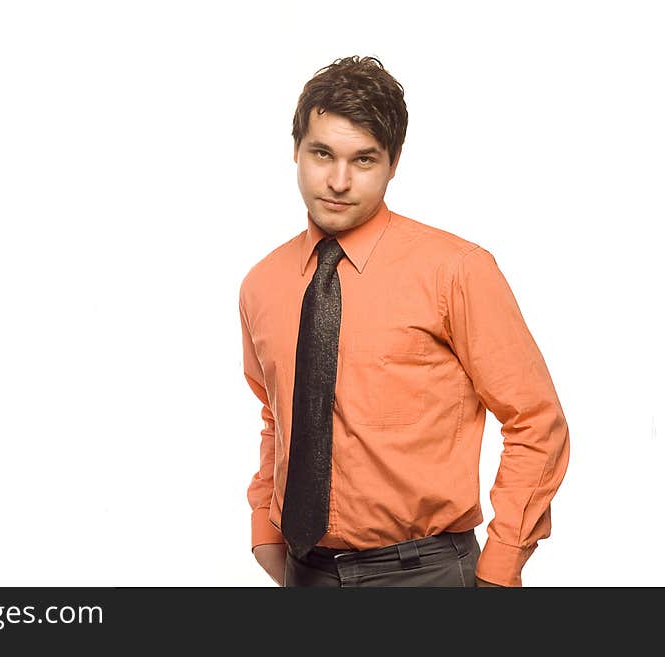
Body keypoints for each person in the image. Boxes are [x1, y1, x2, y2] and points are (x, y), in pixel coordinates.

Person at [238, 56, 570, 587]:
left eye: (363, 160)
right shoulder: (263, 284)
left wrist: (503, 559)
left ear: (394, 163)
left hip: (426, 573)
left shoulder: (456, 271)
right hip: (304, 572)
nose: (339, 181)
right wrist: (264, 526)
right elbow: (277, 414)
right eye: (322, 153)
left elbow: (535, 420)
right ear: (295, 149)